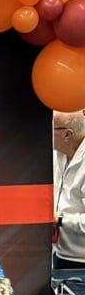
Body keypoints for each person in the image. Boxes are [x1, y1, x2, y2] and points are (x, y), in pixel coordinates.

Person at [53, 110, 85, 269]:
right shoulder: (57, 153)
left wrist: (59, 219)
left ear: (67, 134)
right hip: (60, 253)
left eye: (51, 128)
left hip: (81, 260)